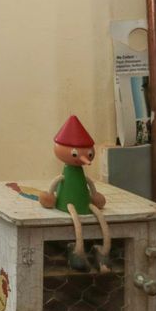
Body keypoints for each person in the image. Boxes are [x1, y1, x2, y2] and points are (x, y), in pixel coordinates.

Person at [39, 115, 112, 272]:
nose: (85, 158)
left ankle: (103, 252)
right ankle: (77, 252)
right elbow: (56, 183)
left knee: (100, 217)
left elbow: (90, 184)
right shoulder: (65, 175)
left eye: (89, 153)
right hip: (69, 205)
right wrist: (50, 196)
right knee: (77, 223)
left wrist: (95, 195)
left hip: (85, 203)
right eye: (75, 153)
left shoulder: (81, 176)